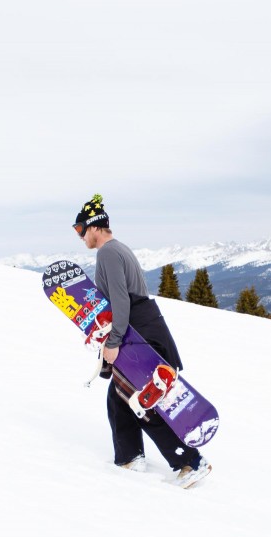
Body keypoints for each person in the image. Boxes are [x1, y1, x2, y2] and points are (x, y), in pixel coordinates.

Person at [72, 194, 212, 488]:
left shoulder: (108, 253)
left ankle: (190, 461)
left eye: (80, 228)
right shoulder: (119, 249)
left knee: (144, 400)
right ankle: (129, 458)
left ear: (95, 227)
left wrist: (113, 341)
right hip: (144, 328)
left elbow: (121, 300)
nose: (80, 235)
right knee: (120, 398)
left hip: (138, 332)